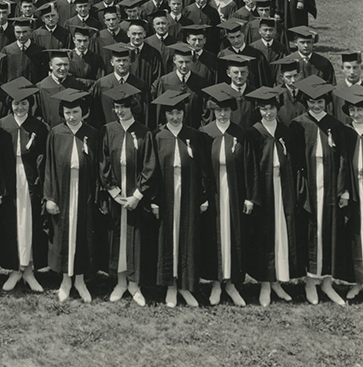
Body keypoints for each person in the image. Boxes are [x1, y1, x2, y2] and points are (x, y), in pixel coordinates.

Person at [291, 76, 349, 306]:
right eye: (312, 102)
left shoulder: (335, 125)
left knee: (329, 231)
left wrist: (343, 190)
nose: (316, 106)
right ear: (306, 102)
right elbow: (294, 161)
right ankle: (309, 281)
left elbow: (343, 159)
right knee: (310, 232)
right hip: (309, 189)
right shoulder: (298, 124)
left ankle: (326, 281)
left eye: (320, 102)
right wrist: (300, 190)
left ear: (326, 103)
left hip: (330, 188)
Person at [151, 90, 211, 308]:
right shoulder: (158, 137)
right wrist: (155, 200)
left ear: (184, 114)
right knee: (168, 239)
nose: (174, 117)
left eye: (178, 113)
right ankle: (170, 287)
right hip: (167, 195)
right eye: (170, 114)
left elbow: (203, 168)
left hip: (189, 195)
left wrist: (203, 196)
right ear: (165, 115)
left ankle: (186, 287)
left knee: (187, 239)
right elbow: (153, 171)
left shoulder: (194, 136)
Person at [199, 83, 257, 307]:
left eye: (225, 110)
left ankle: (231, 283)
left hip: (234, 195)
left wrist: (250, 197)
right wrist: (203, 196)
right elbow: (202, 169)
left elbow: (250, 168)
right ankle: (215, 282)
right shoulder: (205, 133)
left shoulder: (241, 134)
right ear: (213, 111)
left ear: (231, 111)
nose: (222, 114)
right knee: (214, 235)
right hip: (214, 196)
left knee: (234, 236)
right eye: (218, 110)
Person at [245, 86, 303, 306]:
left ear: (277, 109)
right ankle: (265, 285)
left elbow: (295, 163)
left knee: (282, 233)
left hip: (284, 190)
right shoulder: (254, 133)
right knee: (266, 236)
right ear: (259, 110)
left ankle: (278, 280)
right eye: (263, 109)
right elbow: (250, 168)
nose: (267, 113)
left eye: (271, 108)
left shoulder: (286, 131)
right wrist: (253, 195)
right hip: (265, 193)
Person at [99, 82, 156, 306]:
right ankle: (120, 282)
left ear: (132, 107)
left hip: (135, 197)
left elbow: (149, 166)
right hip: (116, 196)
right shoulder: (108, 130)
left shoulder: (144, 133)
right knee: (118, 239)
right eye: (116, 107)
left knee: (135, 239)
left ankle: (134, 284)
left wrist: (137, 195)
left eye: (124, 107)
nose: (120, 111)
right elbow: (103, 163)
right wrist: (113, 192)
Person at [44, 88, 100, 302]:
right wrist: (50, 197)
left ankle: (80, 279)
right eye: (67, 113)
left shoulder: (92, 134)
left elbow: (97, 166)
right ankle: (65, 280)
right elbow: (49, 166)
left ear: (83, 112)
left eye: (75, 112)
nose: (71, 116)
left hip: (84, 192)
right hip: (62, 191)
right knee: (64, 235)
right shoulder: (56, 133)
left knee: (83, 234)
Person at [0, 77, 48, 293]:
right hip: (10, 181)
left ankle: (30, 269)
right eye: (16, 103)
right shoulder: (2, 125)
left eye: (24, 103)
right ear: (11, 104)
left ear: (30, 104)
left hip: (30, 180)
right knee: (12, 224)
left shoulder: (38, 126)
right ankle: (15, 269)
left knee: (30, 223)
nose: (20, 107)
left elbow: (43, 158)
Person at [335, 84, 363, 303]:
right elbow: (341, 163)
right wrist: (344, 190)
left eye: (360, 110)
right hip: (354, 192)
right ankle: (359, 282)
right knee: (357, 235)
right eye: (352, 110)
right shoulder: (346, 133)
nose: (356, 114)